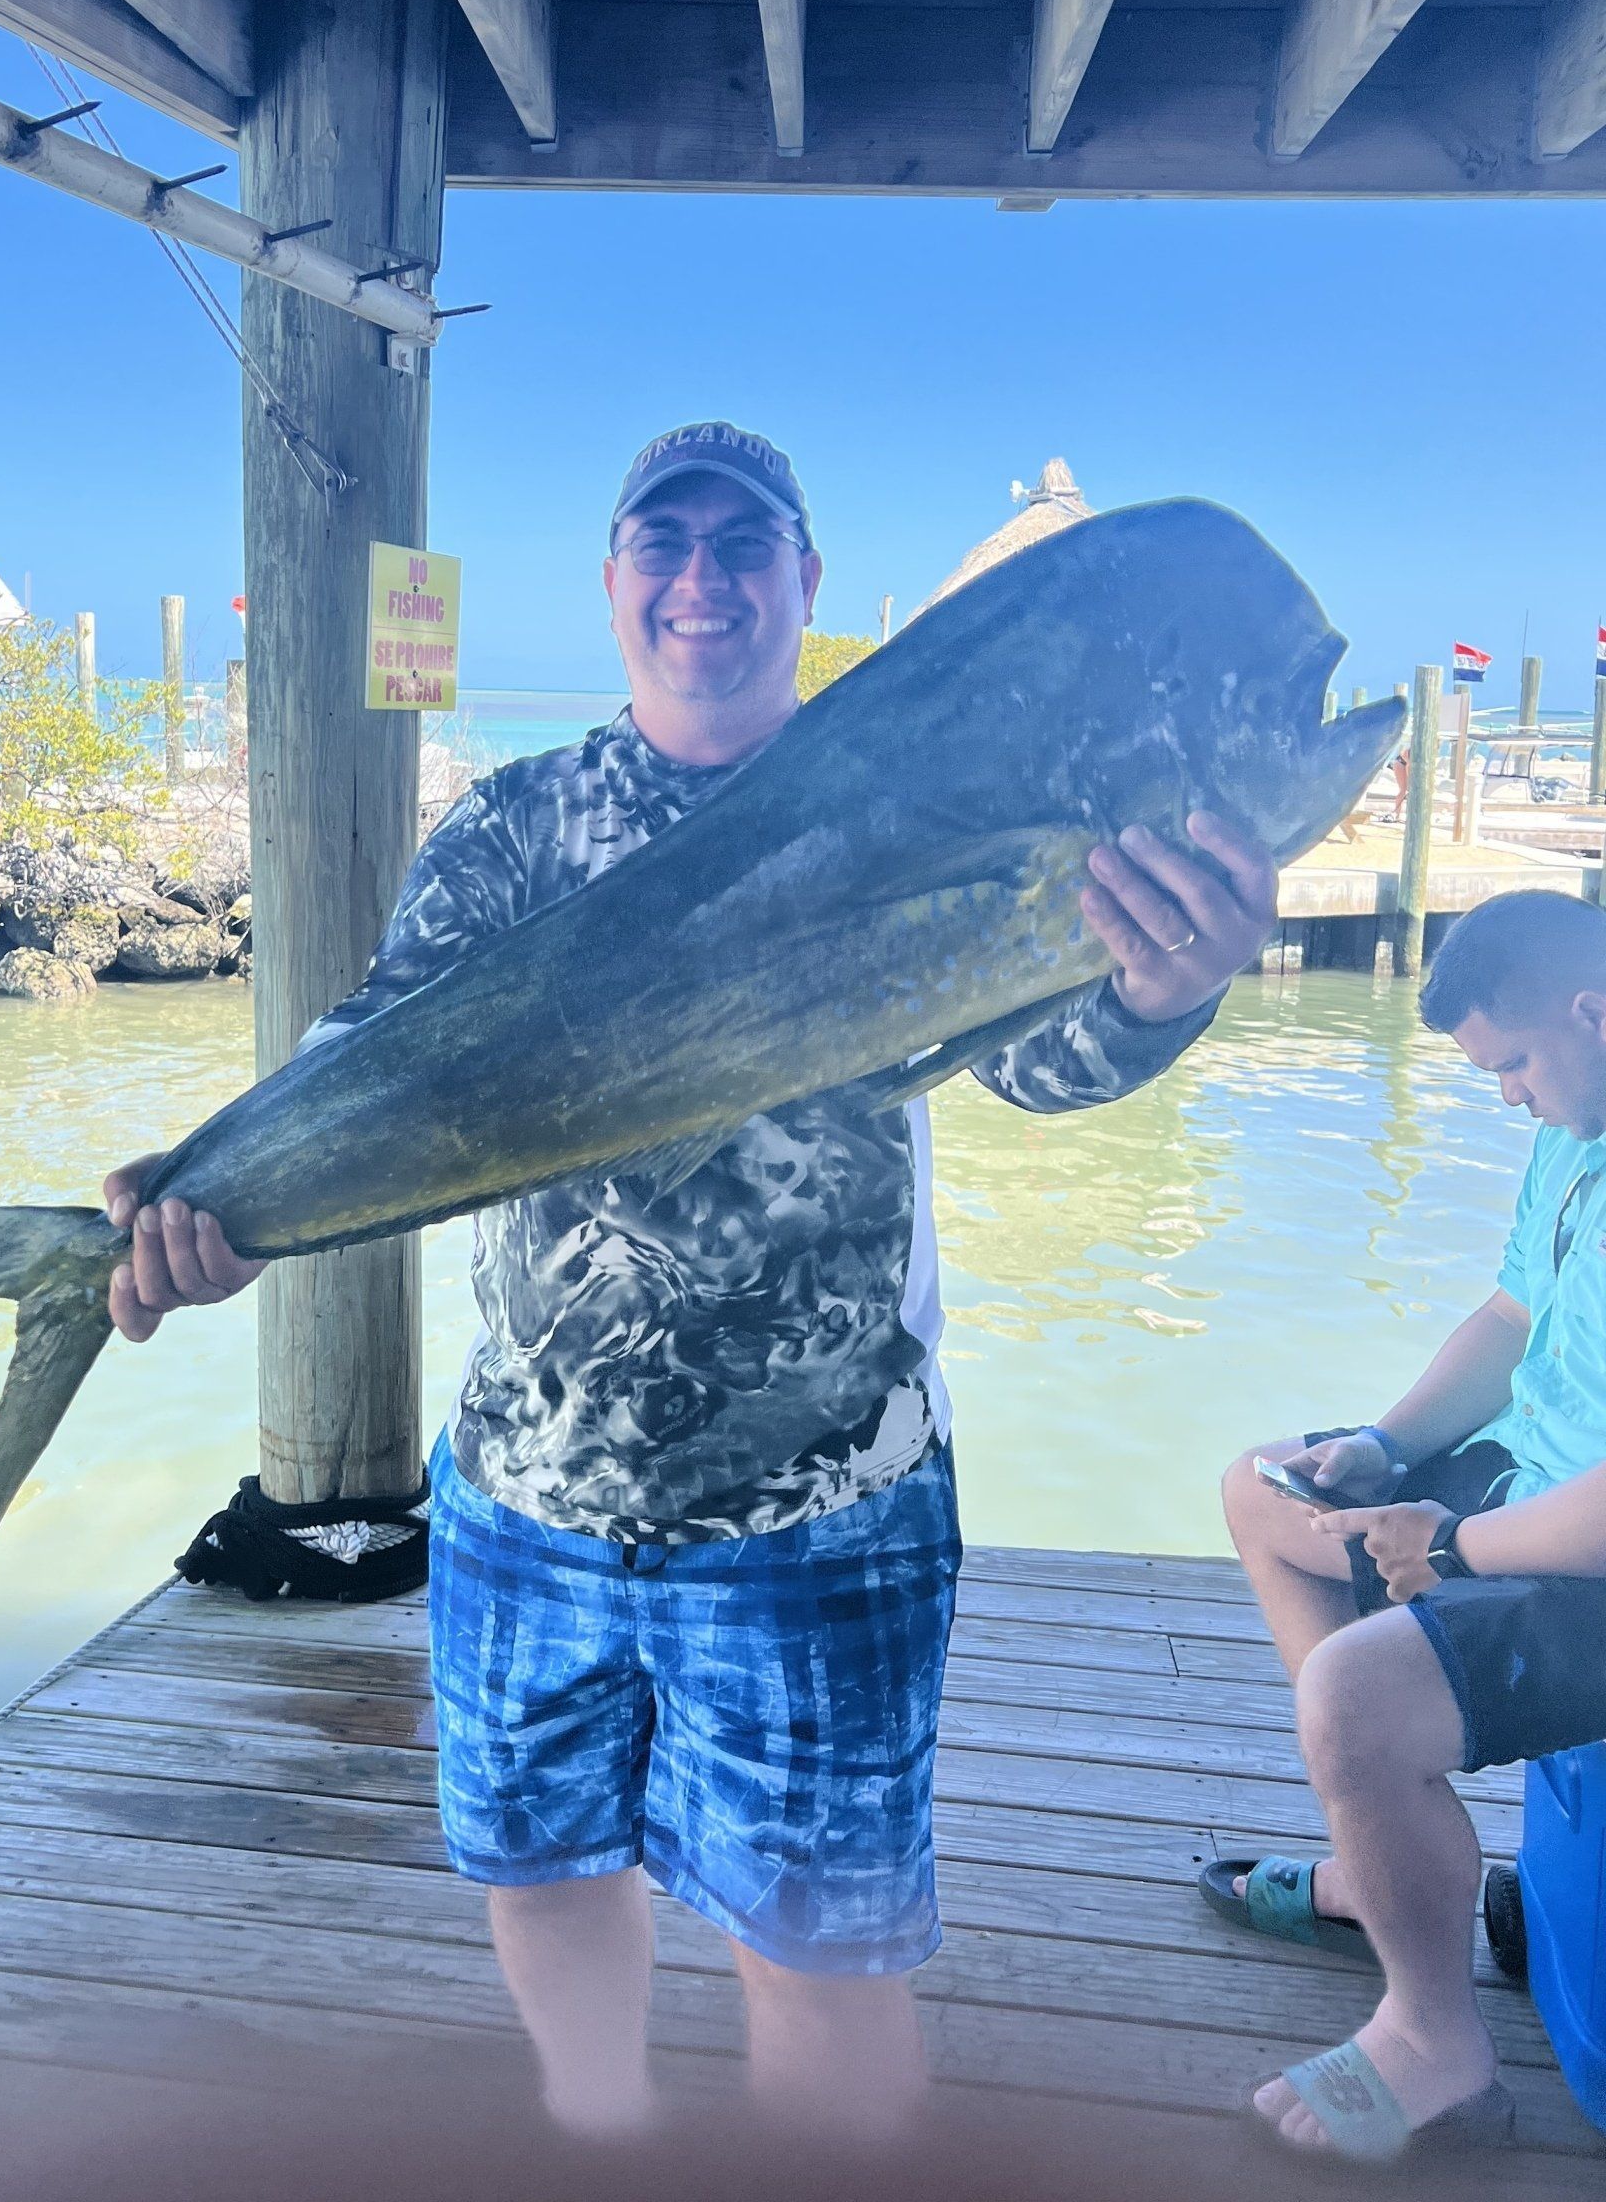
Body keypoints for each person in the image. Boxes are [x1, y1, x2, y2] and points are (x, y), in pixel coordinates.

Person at [105, 424, 1277, 2137]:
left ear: (809, 582)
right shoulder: (515, 826)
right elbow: (382, 1049)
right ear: (611, 585)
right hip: (525, 1501)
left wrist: (1167, 989)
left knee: (825, 1965)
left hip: (819, 1513)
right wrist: (217, 1197)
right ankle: (599, 2139)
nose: (704, 577)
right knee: (546, 1884)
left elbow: (1034, 1063)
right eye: (666, 540)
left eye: (749, 542)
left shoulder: (914, 798)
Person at [1215, 888, 1606, 2165]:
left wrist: (1447, 1548)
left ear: (1592, 1009)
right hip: (1525, 1487)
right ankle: (1388, 1873)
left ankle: (1436, 2040)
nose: (1506, 1098)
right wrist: (1385, 1449)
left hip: (1583, 1548)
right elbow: (1507, 1322)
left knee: (1352, 1699)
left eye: (1513, 1065)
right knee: (1264, 1492)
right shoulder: (1575, 1126)